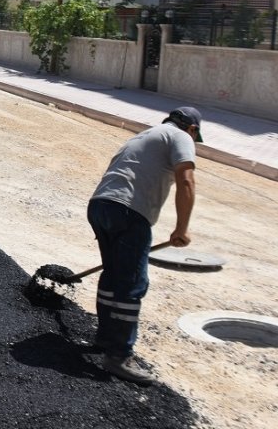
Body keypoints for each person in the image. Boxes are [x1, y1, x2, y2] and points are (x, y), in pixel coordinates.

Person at [88, 106, 202, 385]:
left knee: (113, 275)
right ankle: (119, 356)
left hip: (101, 205)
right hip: (130, 212)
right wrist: (182, 229)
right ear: (193, 129)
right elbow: (186, 181)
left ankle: (104, 339)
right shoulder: (182, 136)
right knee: (132, 284)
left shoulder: (146, 135)